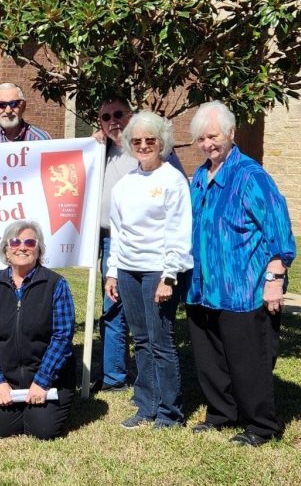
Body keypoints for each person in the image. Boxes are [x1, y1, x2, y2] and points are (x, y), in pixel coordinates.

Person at [186, 101, 296, 447]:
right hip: (204, 288)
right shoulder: (201, 177)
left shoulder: (251, 176)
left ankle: (261, 425)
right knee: (211, 359)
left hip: (244, 289)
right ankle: (222, 413)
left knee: (248, 360)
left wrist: (274, 279)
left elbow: (279, 234)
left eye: (214, 136)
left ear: (231, 134)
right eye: (202, 139)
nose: (208, 144)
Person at [104, 111, 192, 430]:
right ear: (129, 144)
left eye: (150, 140)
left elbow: (178, 233)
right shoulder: (126, 184)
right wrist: (113, 273)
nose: (143, 145)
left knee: (161, 341)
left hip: (158, 271)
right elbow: (118, 231)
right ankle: (146, 405)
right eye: (137, 140)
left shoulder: (172, 180)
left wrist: (169, 276)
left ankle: (170, 412)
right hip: (128, 271)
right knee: (140, 340)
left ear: (162, 142)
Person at [91, 95, 185, 393]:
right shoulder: (99, 150)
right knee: (113, 309)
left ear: (130, 115)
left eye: (118, 114)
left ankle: (163, 398)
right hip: (112, 242)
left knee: (153, 326)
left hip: (154, 251)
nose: (113, 121)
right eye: (106, 117)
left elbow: (178, 205)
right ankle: (114, 377)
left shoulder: (153, 153)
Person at [0, 82, 50, 389]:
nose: (8, 110)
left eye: (13, 103)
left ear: (23, 105)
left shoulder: (42, 140)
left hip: (26, 241)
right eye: (1, 105)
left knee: (29, 304)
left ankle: (28, 366)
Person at [0, 220, 75, 440]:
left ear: (38, 250)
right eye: (15, 242)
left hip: (48, 378)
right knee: (3, 430)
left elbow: (62, 337)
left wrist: (42, 381)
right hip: (7, 379)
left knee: (41, 430)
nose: (22, 247)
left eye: (30, 242)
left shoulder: (56, 284)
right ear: (6, 251)